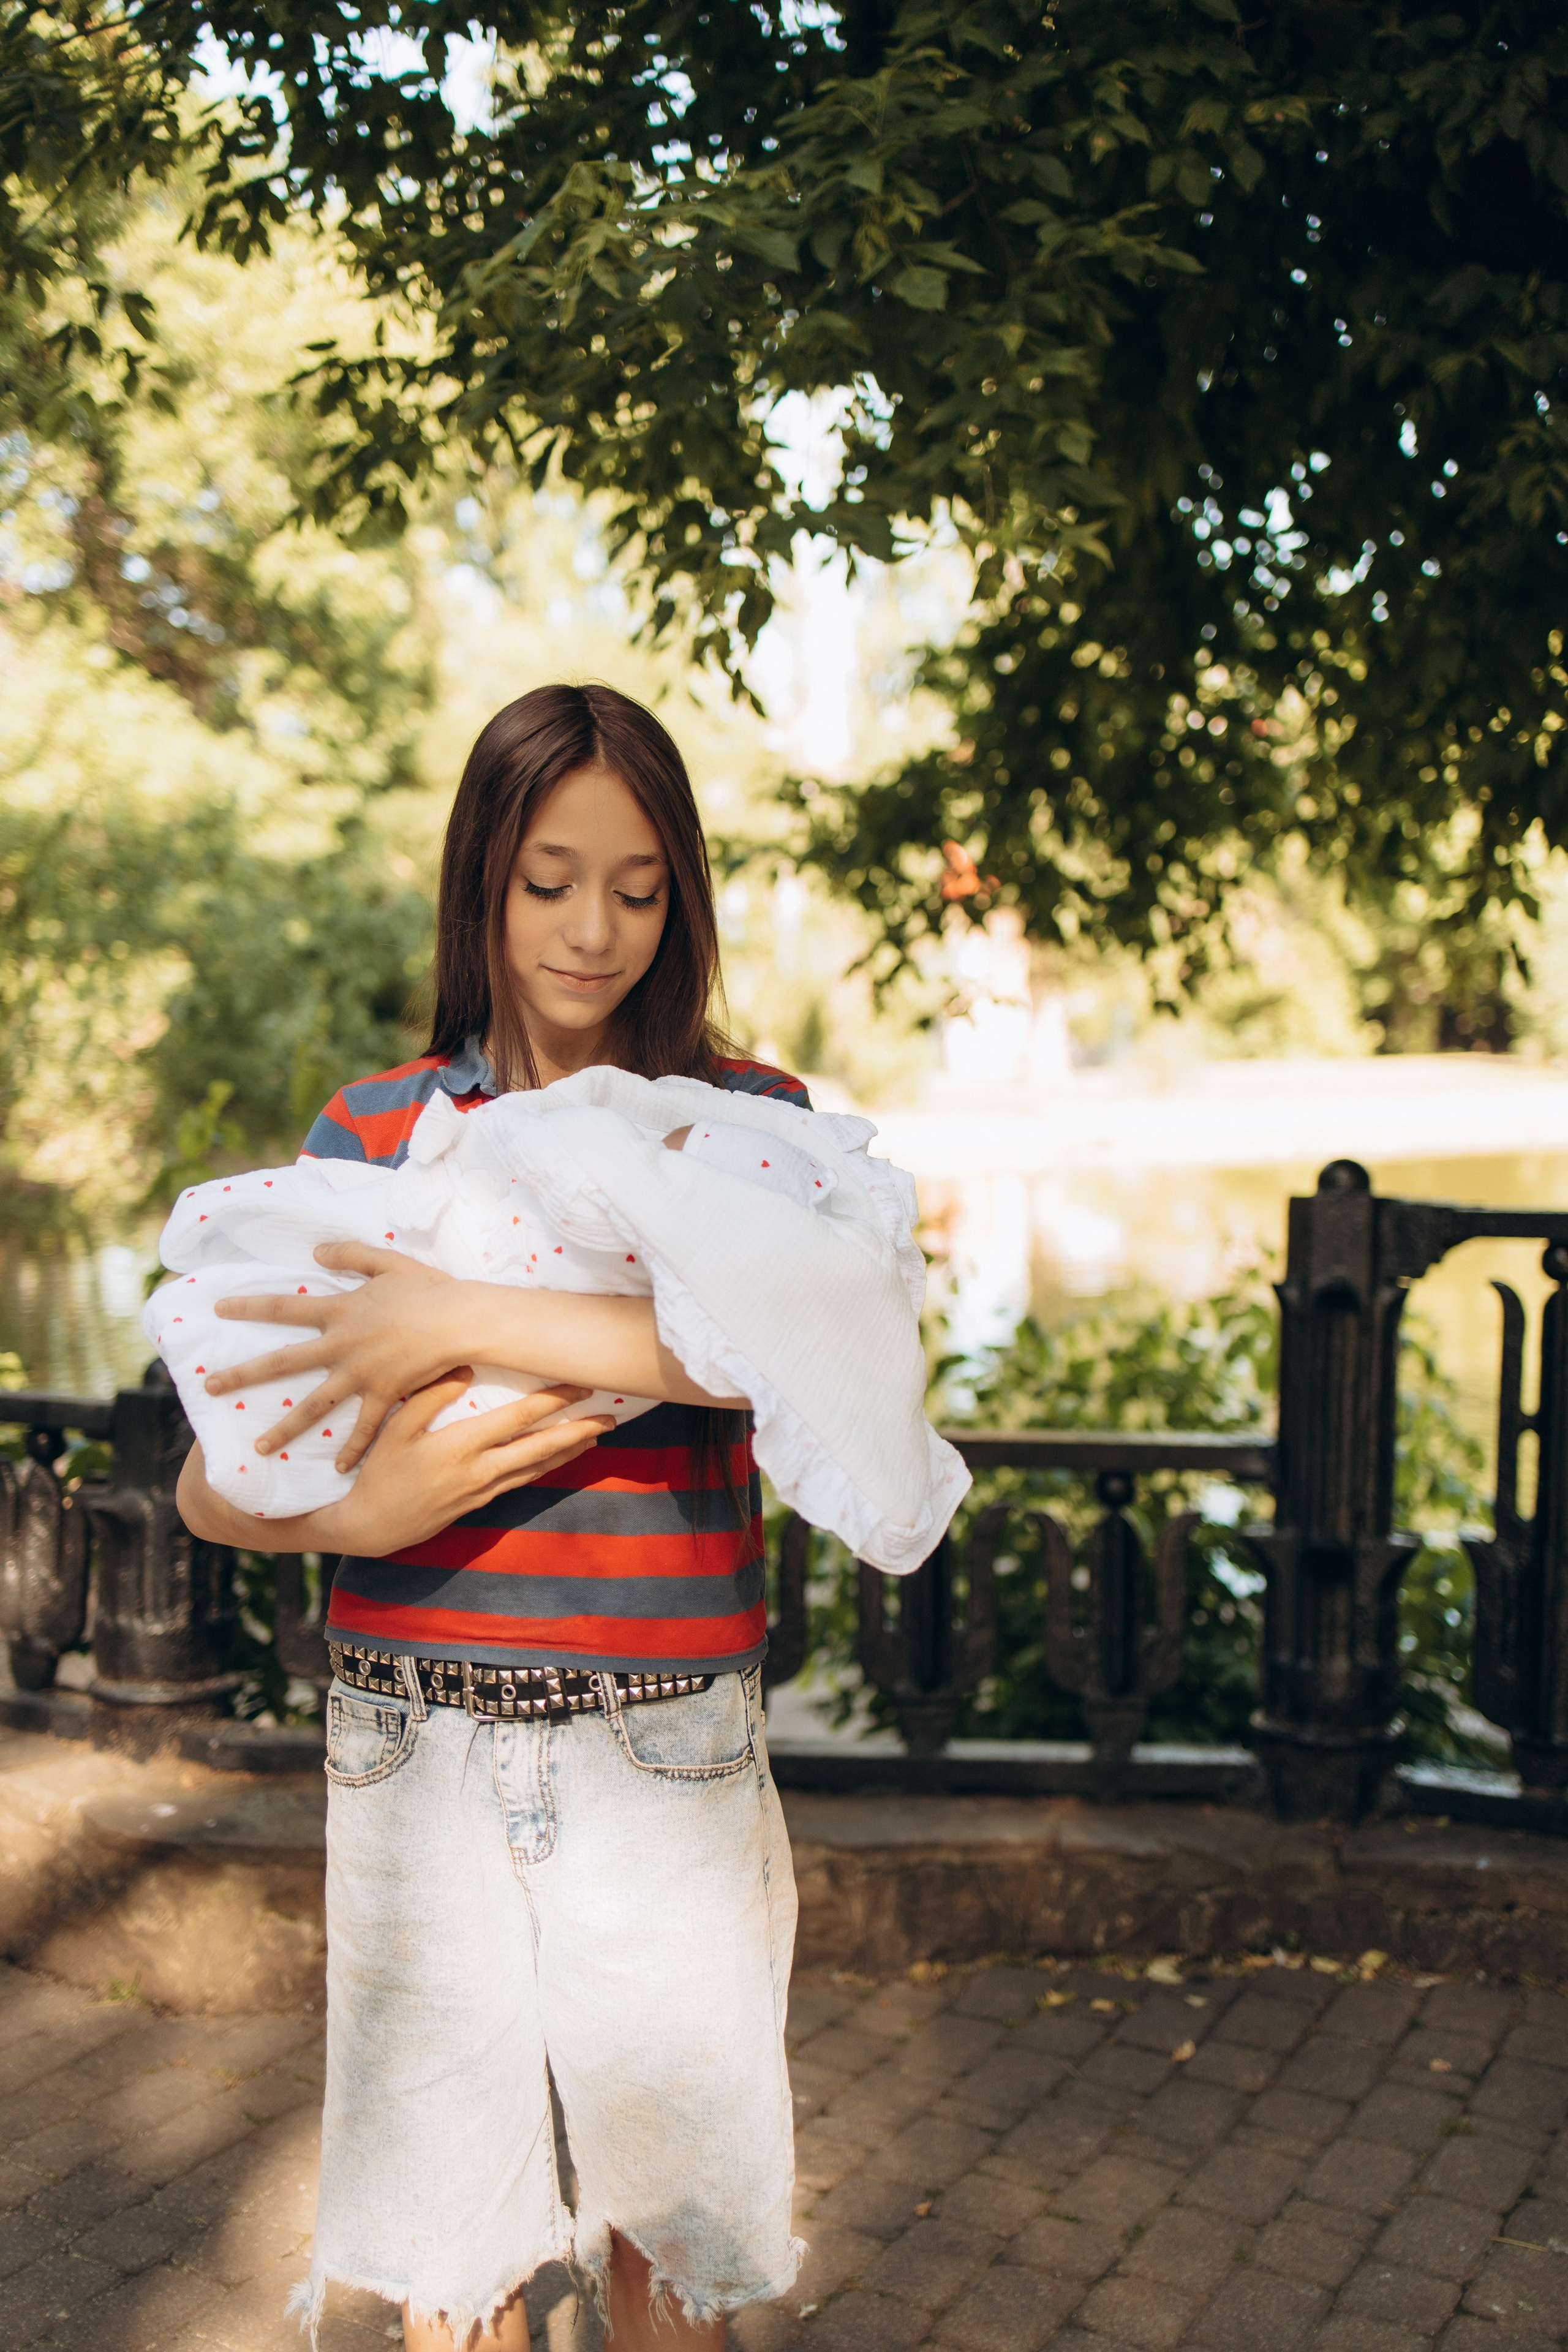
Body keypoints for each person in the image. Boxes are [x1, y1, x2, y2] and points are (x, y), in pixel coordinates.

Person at [175, 684, 831, 2352]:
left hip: (661, 1747)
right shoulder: (374, 1135)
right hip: (413, 1749)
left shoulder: (746, 1128)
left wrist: (452, 1320)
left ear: (680, 893)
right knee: (436, 2265)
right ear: (483, 879)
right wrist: (359, 1510)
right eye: (549, 881)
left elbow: (779, 1350)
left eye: (637, 884)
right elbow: (212, 1478)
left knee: (669, 2248)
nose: (593, 930)